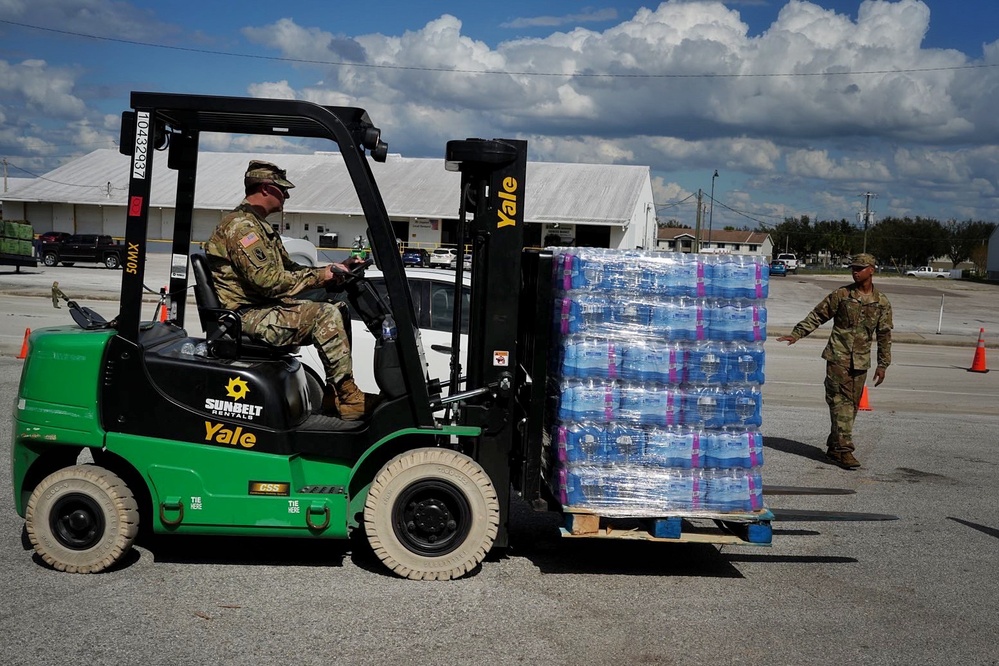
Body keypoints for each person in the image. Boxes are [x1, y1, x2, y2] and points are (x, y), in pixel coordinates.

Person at [203, 160, 379, 421]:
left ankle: (335, 393)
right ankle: (349, 395)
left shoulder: (257, 226)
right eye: (281, 189)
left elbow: (290, 268)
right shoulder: (242, 228)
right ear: (265, 188)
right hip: (248, 315)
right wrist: (320, 276)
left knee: (338, 308)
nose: (286, 195)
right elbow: (268, 280)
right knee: (324, 315)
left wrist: (334, 270)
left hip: (264, 308)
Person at [776, 253, 893, 469]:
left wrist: (883, 364)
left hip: (861, 362)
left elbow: (884, 335)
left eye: (860, 268)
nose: (855, 271)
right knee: (840, 403)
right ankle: (845, 449)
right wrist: (797, 333)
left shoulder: (881, 302)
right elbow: (818, 315)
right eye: (853, 268)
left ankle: (834, 446)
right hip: (837, 357)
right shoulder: (842, 295)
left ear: (872, 270)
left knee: (852, 406)